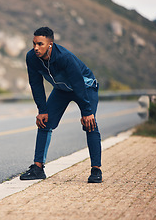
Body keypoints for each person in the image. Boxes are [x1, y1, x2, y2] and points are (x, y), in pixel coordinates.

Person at [20, 27, 102, 183]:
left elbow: (78, 84)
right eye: (34, 44)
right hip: (62, 89)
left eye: (40, 44)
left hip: (85, 87)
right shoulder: (31, 57)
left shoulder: (64, 57)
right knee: (45, 123)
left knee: (90, 124)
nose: (36, 48)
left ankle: (96, 170)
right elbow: (35, 84)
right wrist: (42, 110)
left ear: (50, 44)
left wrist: (87, 111)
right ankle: (38, 168)